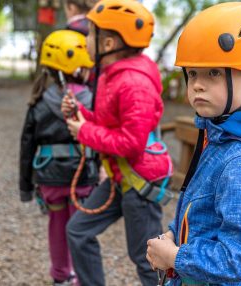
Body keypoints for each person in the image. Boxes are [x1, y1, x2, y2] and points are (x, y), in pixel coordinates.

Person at [146, 2, 241, 285]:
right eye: (192, 73)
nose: (197, 85)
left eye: (213, 73)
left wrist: (175, 257)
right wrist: (173, 234)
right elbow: (204, 211)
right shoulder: (219, 135)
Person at [62, 0, 172, 285]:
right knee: (78, 231)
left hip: (138, 181)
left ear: (108, 42)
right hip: (120, 177)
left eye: (90, 33)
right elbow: (108, 123)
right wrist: (81, 115)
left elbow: (131, 143)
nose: (85, 40)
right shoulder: (111, 75)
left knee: (147, 258)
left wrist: (83, 131)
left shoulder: (133, 82)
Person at [19, 30, 99, 286]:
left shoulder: (38, 100)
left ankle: (60, 275)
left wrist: (25, 187)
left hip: (49, 178)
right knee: (80, 229)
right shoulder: (90, 99)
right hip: (82, 178)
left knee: (57, 225)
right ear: (76, 68)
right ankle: (80, 277)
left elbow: (26, 145)